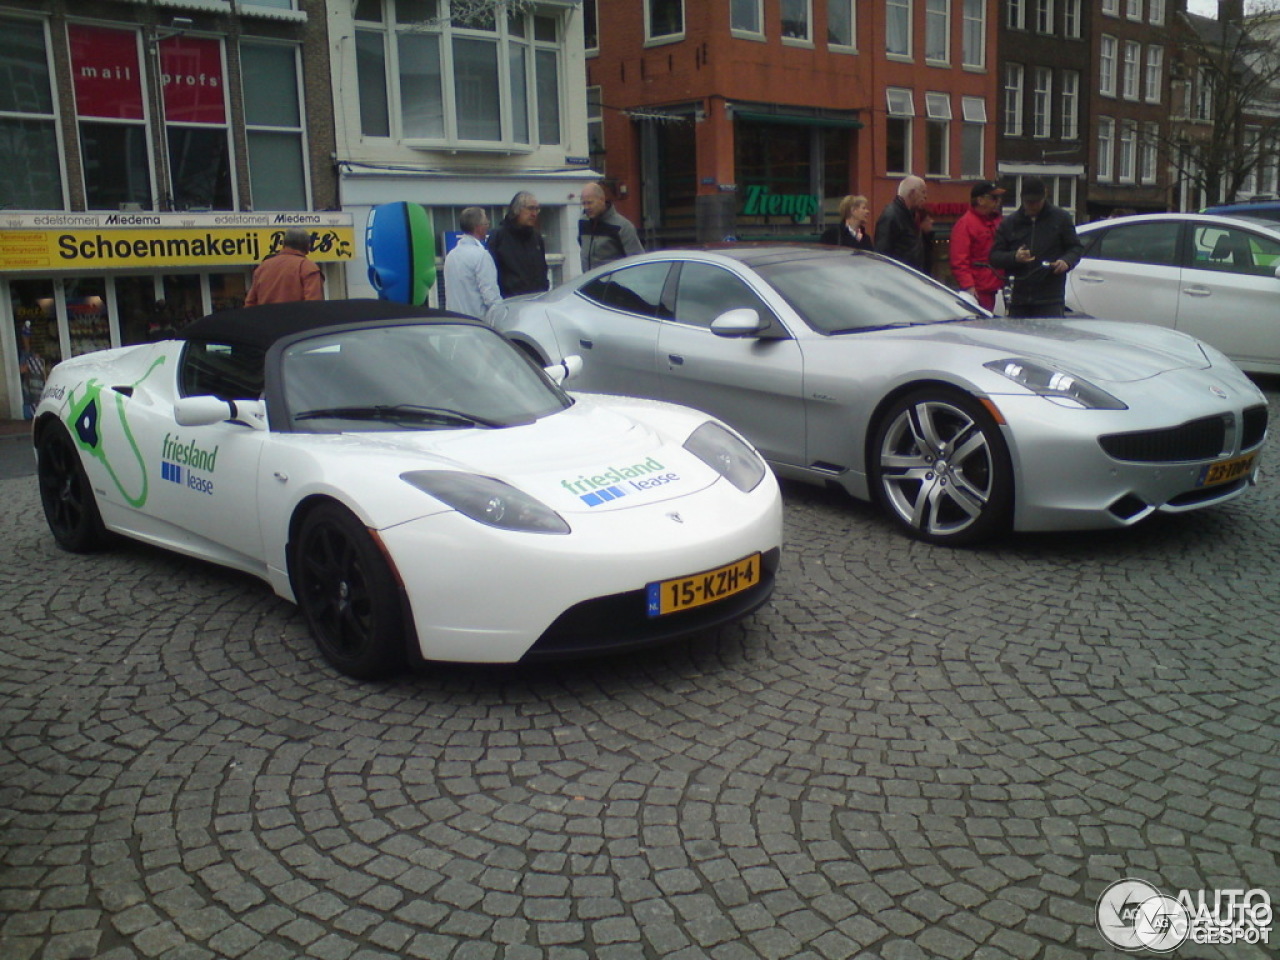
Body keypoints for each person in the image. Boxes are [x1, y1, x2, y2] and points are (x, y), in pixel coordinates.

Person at [988, 177, 1083, 318]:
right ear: (1022, 199)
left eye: (1037, 202)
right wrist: (1014, 257)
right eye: (1028, 202)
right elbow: (994, 257)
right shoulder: (1010, 223)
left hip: (1050, 298)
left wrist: (1066, 261)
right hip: (1018, 298)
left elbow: (1075, 248)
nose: (1032, 206)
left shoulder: (1061, 218)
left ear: (1044, 197)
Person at [950, 181, 1007, 312]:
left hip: (998, 288)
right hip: (980, 292)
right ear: (980, 200)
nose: (998, 201)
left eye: (998, 198)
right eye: (993, 198)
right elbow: (959, 261)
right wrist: (969, 287)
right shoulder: (965, 224)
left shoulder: (998, 221)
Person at [443, 207, 501, 319]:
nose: (488, 227)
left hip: (454, 323)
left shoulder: (451, 256)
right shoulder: (481, 256)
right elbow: (491, 298)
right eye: (486, 223)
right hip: (477, 325)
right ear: (478, 227)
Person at [488, 191, 550, 298]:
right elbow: (490, 274)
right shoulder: (499, 236)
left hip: (537, 300)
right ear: (517, 210)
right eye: (530, 208)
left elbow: (542, 269)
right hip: (511, 302)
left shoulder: (536, 237)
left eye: (537, 209)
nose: (534, 214)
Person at [245, 228, 324, 305]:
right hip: (297, 317)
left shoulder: (262, 267)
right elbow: (313, 305)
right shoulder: (307, 267)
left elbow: (250, 303)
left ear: (283, 244)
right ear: (308, 246)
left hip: (265, 317)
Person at [579, 182, 644, 271]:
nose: (586, 207)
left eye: (590, 203)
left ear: (602, 200)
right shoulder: (583, 222)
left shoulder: (623, 226)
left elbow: (637, 260)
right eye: (584, 203)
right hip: (590, 281)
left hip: (616, 282)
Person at [875, 175, 934, 273]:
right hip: (899, 281)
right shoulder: (891, 216)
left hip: (910, 279)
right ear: (912, 193)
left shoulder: (911, 216)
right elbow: (882, 255)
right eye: (923, 192)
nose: (925, 197)